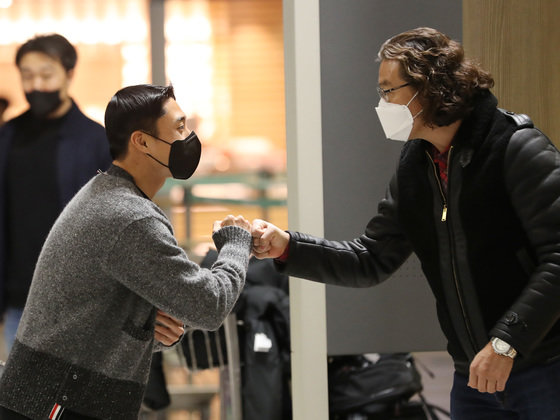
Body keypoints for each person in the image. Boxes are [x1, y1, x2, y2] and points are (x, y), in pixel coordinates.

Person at [251, 27, 560, 418]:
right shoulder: (417, 164)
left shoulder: (517, 148)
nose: (382, 104)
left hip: (543, 368)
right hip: (475, 378)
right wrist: (288, 246)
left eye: (387, 91)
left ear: (428, 89)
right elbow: (371, 258)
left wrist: (506, 343)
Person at [0, 84, 253, 419]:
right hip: (58, 403)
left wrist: (150, 328)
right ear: (142, 141)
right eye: (179, 127)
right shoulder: (129, 218)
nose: (188, 137)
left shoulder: (110, 195)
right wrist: (236, 243)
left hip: (54, 398)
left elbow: (99, 308)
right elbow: (209, 304)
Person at [0, 34, 112, 354]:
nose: (36, 85)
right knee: (20, 402)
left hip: (81, 303)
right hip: (18, 300)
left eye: (46, 75)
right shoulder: (7, 138)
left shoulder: (96, 141)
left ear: (69, 74)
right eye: (27, 76)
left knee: (76, 402)